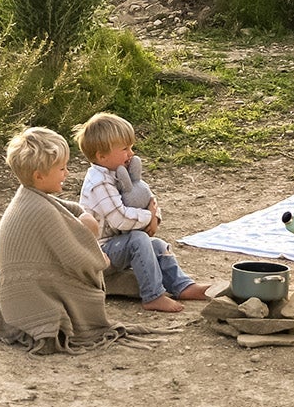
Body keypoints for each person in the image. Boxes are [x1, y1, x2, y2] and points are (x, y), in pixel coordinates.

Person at [0, 125, 114, 351]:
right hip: (31, 296)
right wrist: (99, 259)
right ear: (39, 175)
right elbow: (75, 256)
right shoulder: (39, 211)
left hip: (17, 297)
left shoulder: (29, 197)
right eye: (62, 168)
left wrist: (84, 217)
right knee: (87, 284)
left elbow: (67, 208)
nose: (67, 173)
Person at [76, 111, 209, 313]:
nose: (131, 153)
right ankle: (152, 295)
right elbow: (120, 219)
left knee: (157, 245)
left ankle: (182, 286)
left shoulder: (119, 172)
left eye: (131, 147)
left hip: (117, 244)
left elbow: (145, 197)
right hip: (101, 252)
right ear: (102, 156)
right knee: (138, 239)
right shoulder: (99, 183)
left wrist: (155, 217)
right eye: (125, 149)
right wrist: (149, 217)